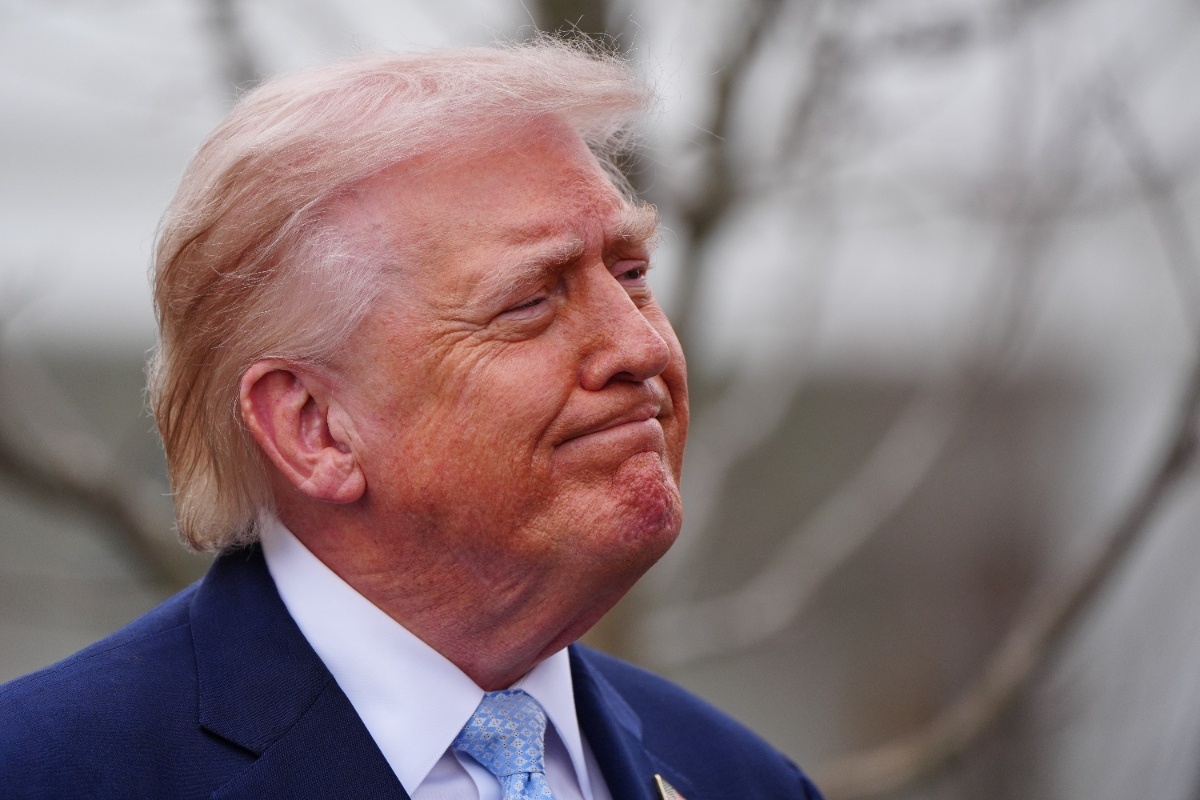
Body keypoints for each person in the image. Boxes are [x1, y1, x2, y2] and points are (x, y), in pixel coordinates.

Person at [0, 43, 823, 800]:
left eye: (633, 272)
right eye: (531, 301)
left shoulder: (740, 779)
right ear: (313, 428)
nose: (639, 345)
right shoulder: (45, 770)